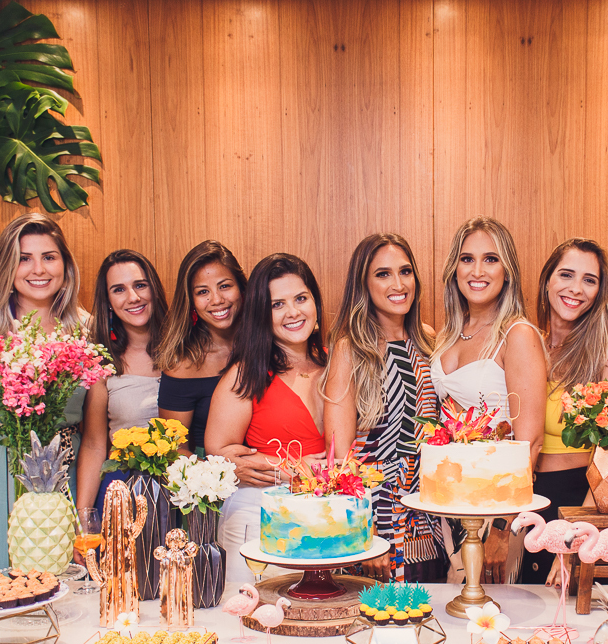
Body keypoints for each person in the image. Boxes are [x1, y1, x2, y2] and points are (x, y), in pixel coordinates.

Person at [0, 212, 88, 577]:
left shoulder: (86, 328)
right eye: (24, 258)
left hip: (62, 469)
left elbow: (95, 430)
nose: (38, 269)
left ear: (65, 265)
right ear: (6, 267)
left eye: (49, 257)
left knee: (61, 583)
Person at [322, 233, 447, 582]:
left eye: (405, 271)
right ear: (363, 284)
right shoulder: (350, 349)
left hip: (427, 510)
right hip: (376, 512)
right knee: (382, 610)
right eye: (383, 274)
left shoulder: (428, 339)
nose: (398, 284)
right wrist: (368, 532)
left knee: (429, 606)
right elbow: (339, 455)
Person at [430, 216, 547, 584]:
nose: (477, 271)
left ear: (507, 271)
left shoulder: (517, 334)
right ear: (454, 268)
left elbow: (530, 442)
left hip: (496, 505)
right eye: (467, 259)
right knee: (452, 603)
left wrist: (501, 528)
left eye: (491, 259)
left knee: (490, 608)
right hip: (449, 501)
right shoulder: (448, 334)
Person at [206, 254, 328, 586]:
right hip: (258, 517)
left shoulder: (335, 364)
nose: (293, 312)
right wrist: (287, 469)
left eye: (301, 298)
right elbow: (218, 454)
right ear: (262, 314)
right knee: (251, 612)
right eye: (277, 305)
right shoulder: (246, 374)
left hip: (326, 519)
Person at [525, 238, 608, 585]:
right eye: (566, 275)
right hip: (530, 500)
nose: (576, 288)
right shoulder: (527, 347)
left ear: (598, 293)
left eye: (589, 280)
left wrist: (576, 537)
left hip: (579, 503)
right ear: (547, 281)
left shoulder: (605, 360)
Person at [75, 250, 169, 512]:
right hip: (124, 495)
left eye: (140, 285)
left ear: (154, 289)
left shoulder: (186, 350)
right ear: (107, 301)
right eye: (119, 290)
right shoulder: (102, 362)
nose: (133, 297)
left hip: (186, 494)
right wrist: (83, 517)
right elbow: (94, 445)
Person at [158, 241, 246, 457]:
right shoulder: (183, 364)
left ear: (242, 288)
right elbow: (175, 450)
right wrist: (217, 472)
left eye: (224, 286)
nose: (216, 300)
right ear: (191, 301)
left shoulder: (268, 345)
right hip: (211, 473)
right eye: (203, 291)